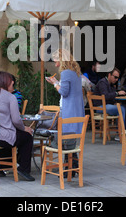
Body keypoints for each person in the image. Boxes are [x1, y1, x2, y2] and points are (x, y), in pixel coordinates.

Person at [0, 71, 35, 181]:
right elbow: (16, 120)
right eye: (12, 83)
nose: (13, 85)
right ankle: (23, 169)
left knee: (9, 134)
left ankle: (1, 166)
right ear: (6, 83)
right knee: (26, 137)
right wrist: (25, 128)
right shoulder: (10, 97)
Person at [46, 49, 85, 177]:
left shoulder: (66, 73)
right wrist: (57, 83)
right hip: (77, 110)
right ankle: (72, 167)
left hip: (69, 110)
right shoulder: (75, 72)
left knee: (66, 139)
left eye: (56, 59)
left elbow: (64, 92)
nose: (54, 62)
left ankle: (68, 168)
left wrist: (54, 84)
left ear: (61, 59)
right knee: (71, 139)